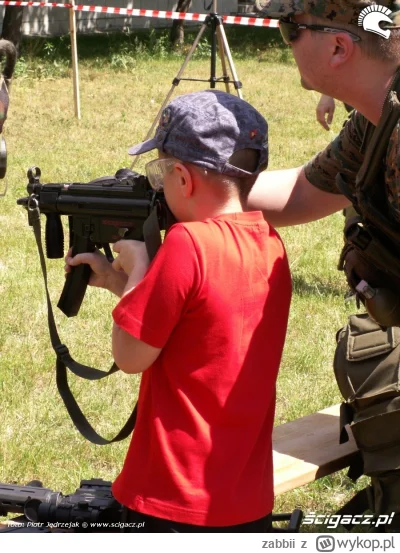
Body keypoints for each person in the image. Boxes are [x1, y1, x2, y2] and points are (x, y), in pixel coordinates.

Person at [65, 90, 292, 532]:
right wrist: (118, 282)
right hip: (244, 498)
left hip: (171, 498)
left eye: (161, 173)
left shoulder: (187, 244)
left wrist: (138, 270)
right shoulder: (270, 245)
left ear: (183, 179)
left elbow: (130, 357)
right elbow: (199, 325)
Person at [250, 0, 400, 524]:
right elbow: (300, 192)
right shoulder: (377, 118)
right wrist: (193, 191)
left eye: (291, 28)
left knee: (380, 364)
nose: (285, 40)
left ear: (338, 46)